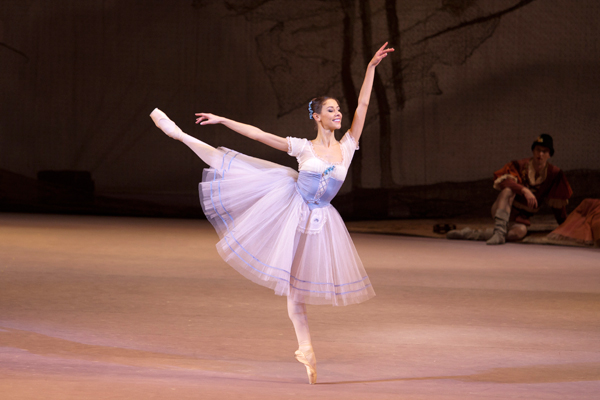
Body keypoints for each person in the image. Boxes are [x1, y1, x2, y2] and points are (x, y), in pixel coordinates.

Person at [150, 43, 394, 384]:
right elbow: (259, 134)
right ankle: (178, 133)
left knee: (297, 293)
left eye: (340, 110)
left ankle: (305, 350)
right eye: (332, 110)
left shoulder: (349, 145)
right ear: (317, 116)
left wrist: (370, 68)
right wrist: (222, 119)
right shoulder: (302, 147)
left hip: (321, 221)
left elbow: (365, 104)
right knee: (227, 163)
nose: (339, 114)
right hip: (288, 207)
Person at [447, 134, 572, 244]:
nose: (540, 154)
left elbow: (558, 205)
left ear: (549, 154)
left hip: (520, 218)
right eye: (538, 150)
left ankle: (471, 234)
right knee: (508, 190)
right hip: (503, 207)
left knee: (518, 233)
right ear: (533, 150)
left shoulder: (554, 174)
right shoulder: (519, 165)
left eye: (544, 151)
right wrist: (524, 190)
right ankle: (500, 231)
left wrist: (565, 227)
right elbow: (504, 181)